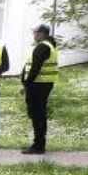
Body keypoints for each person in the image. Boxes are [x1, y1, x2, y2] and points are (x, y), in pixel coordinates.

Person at [20, 24, 58, 154]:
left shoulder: (43, 47)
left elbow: (35, 68)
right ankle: (39, 144)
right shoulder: (48, 46)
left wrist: (26, 85)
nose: (34, 35)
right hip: (42, 84)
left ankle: (38, 145)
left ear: (41, 33)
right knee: (39, 114)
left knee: (37, 115)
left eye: (35, 32)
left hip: (38, 85)